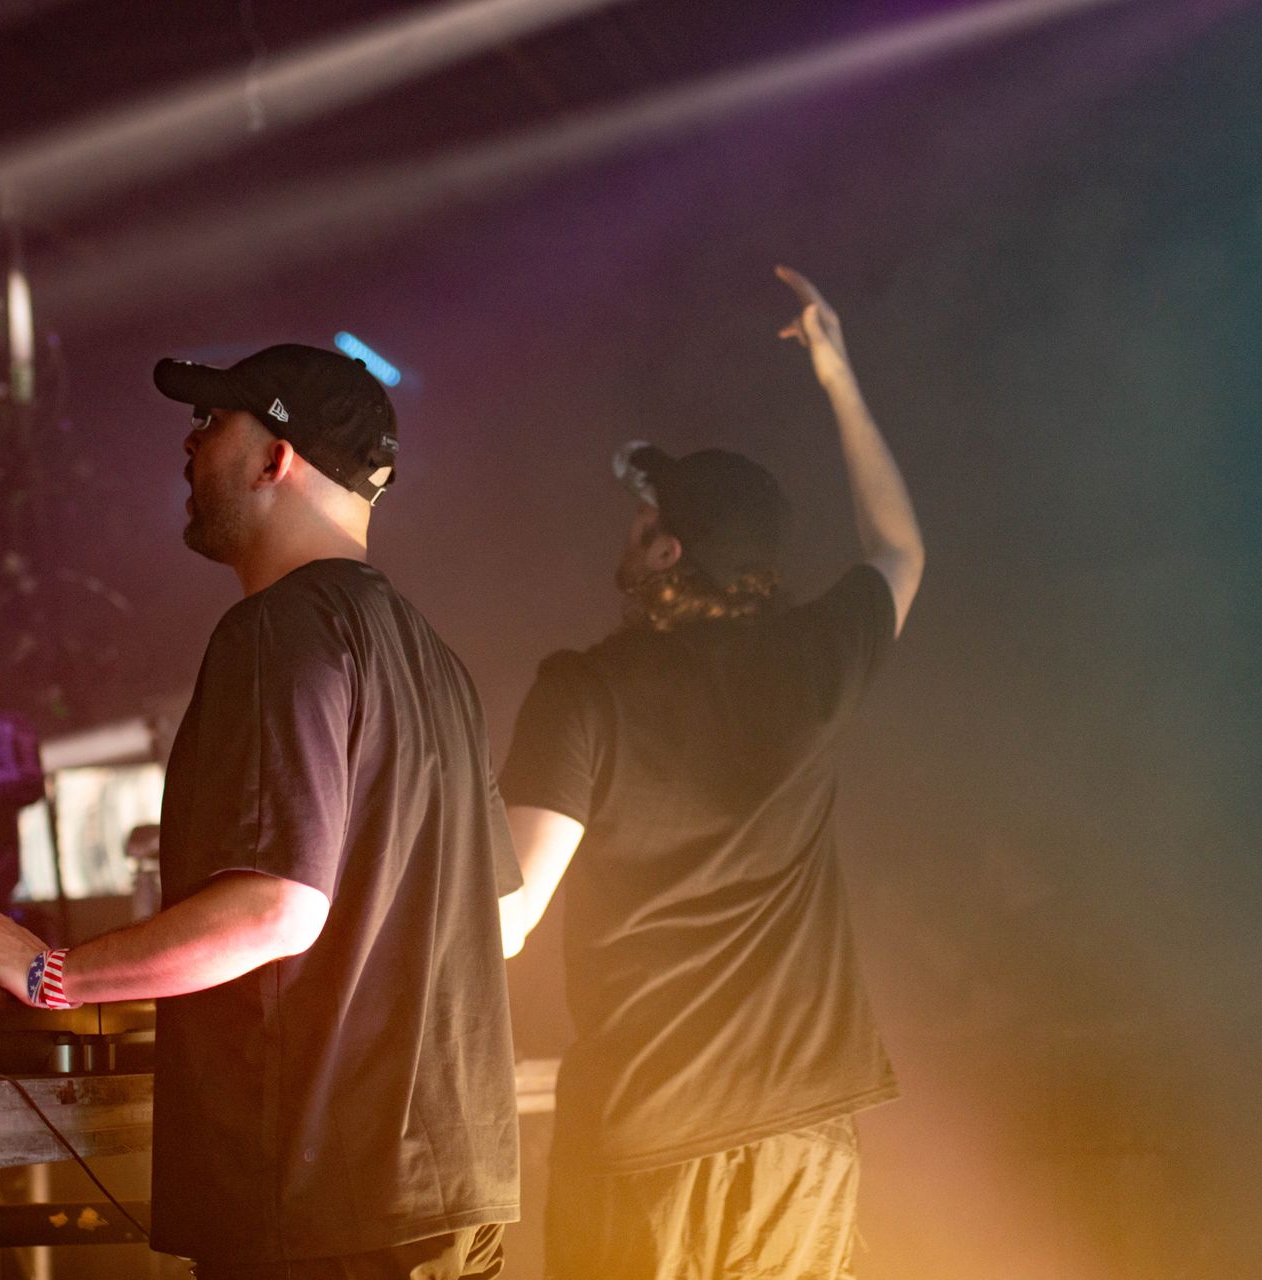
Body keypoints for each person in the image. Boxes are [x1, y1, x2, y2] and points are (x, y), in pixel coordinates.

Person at [0, 343, 521, 1280]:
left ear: (276, 458)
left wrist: (45, 973)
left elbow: (278, 908)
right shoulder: (440, 665)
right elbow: (498, 920)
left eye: (211, 423)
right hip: (447, 1202)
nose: (186, 447)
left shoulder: (280, 628)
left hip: (325, 1218)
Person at [494, 267, 923, 1280]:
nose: (627, 530)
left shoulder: (583, 691)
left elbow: (507, 916)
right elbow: (900, 548)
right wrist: (840, 376)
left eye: (643, 518)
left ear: (666, 547)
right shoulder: (815, 662)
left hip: (652, 1133)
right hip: (801, 1135)